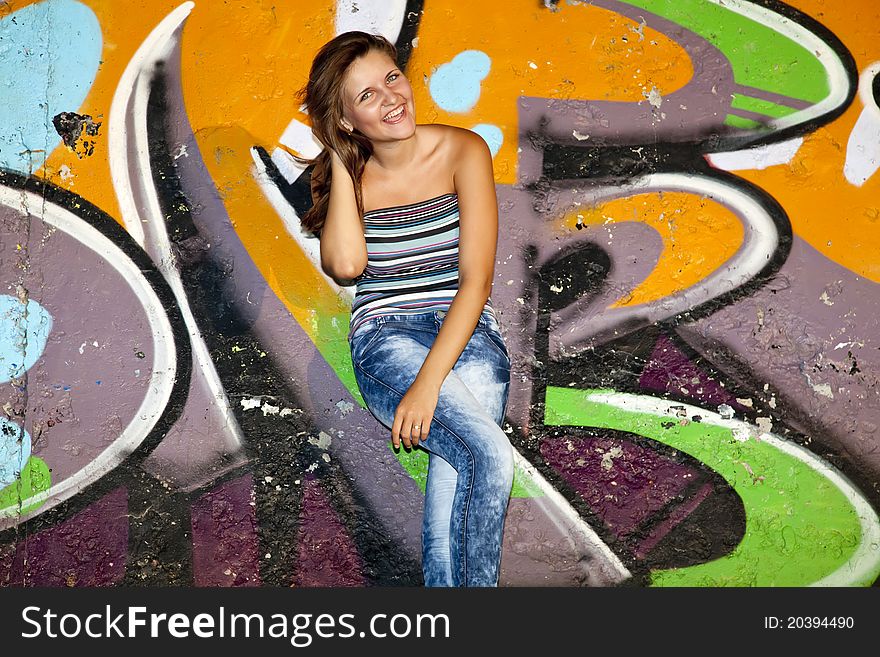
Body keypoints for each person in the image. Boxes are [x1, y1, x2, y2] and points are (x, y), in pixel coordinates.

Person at [294, 31, 514, 587]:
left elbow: (476, 281)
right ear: (347, 121)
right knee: (488, 458)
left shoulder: (465, 150)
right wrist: (343, 162)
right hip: (387, 338)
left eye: (391, 78)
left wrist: (427, 386)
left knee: (452, 499)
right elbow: (345, 265)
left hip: (468, 338)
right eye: (366, 96)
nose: (391, 97)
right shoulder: (353, 176)